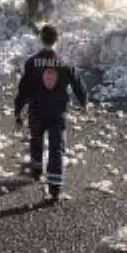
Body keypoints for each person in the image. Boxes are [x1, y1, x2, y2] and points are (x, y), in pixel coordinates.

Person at [13, 25, 88, 204]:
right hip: (57, 112)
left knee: (36, 140)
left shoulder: (31, 63)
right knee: (56, 148)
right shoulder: (65, 62)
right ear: (57, 40)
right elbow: (78, 83)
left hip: (36, 110)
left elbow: (23, 89)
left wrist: (18, 110)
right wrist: (84, 102)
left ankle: (36, 171)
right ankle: (54, 189)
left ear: (41, 39)